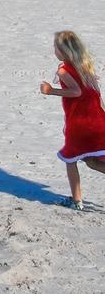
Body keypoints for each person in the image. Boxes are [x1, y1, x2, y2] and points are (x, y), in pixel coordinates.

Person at [40, 31, 105, 210]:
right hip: (99, 122)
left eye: (56, 47)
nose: (54, 50)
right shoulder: (86, 67)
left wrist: (50, 91)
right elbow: (97, 97)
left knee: (70, 159)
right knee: (93, 161)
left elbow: (76, 91)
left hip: (82, 125)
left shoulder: (63, 70)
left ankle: (77, 202)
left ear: (64, 51)